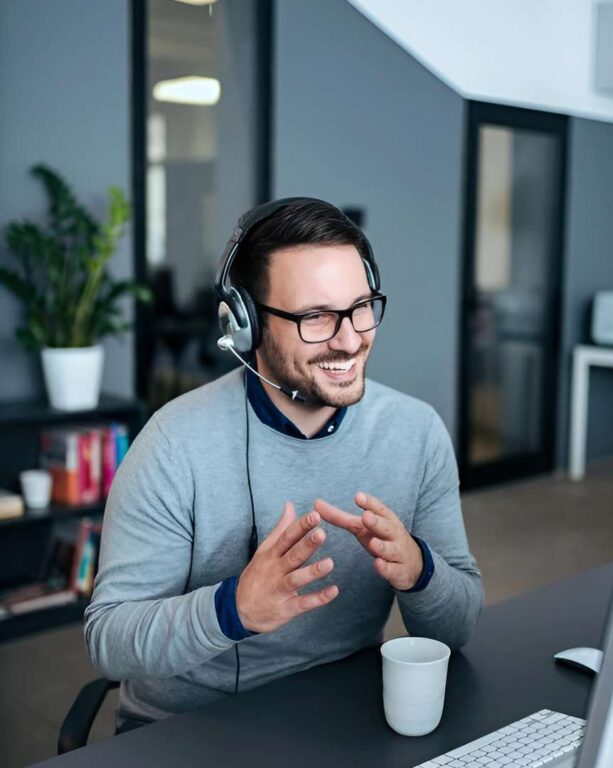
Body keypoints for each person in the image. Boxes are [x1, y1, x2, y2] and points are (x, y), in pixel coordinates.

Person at [84, 198, 484, 730]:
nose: (349, 338)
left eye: (361, 307)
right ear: (246, 324)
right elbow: (109, 642)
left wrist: (419, 570)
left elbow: (458, 626)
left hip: (348, 712)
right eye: (315, 316)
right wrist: (233, 610)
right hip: (189, 729)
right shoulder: (173, 444)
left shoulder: (417, 432)